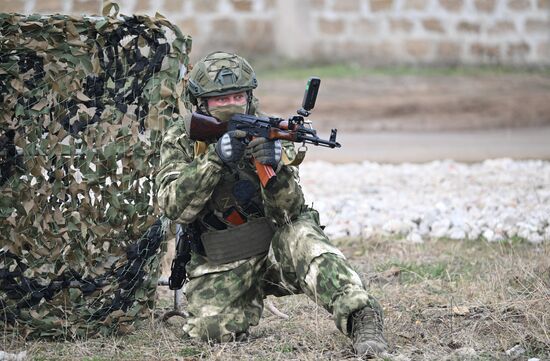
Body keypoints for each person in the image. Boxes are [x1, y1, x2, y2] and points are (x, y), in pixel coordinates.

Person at [156, 51, 388, 357]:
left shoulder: (267, 133)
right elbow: (172, 207)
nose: (230, 105)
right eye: (219, 100)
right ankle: (242, 303)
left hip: (275, 253)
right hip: (220, 260)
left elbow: (289, 214)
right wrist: (214, 160)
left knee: (305, 236)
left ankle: (362, 318)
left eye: (237, 96)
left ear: (250, 97)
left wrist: (275, 169)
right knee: (210, 334)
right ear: (201, 103)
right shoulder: (183, 137)